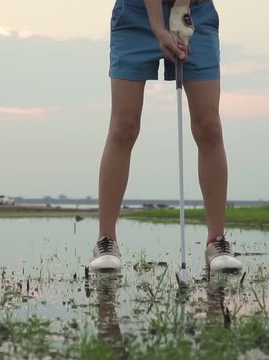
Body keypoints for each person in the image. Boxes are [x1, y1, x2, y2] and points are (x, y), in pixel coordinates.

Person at [89, 0, 243, 272]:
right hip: (135, 14)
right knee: (124, 127)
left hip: (196, 13)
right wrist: (159, 28)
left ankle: (216, 241)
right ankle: (106, 239)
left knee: (209, 126)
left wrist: (181, 11)